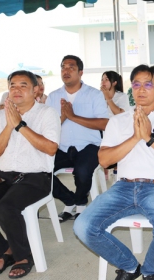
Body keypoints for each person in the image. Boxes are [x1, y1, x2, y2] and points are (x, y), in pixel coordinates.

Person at [73, 64, 154, 280]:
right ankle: (129, 267)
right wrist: (136, 137)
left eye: (148, 84)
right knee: (83, 226)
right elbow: (105, 160)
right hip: (124, 187)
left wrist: (149, 137)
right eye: (136, 84)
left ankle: (151, 272)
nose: (141, 89)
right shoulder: (118, 121)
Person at [0, 70, 60, 279]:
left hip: (36, 177)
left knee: (5, 208)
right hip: (4, 175)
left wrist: (20, 125)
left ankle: (23, 256)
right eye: (12, 86)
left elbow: (50, 148)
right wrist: (8, 125)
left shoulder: (47, 113)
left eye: (23, 85)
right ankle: (3, 251)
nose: (16, 90)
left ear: (35, 90)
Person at [46, 55, 109, 222]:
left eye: (71, 68)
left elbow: (104, 123)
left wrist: (73, 116)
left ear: (80, 72)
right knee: (39, 170)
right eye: (63, 67)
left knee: (82, 171)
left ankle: (81, 205)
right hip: (62, 146)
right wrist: (64, 117)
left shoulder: (94, 95)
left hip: (89, 146)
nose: (66, 71)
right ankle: (70, 200)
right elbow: (47, 127)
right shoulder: (53, 97)